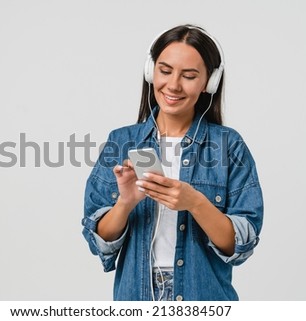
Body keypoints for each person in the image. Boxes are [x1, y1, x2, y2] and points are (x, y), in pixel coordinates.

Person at [81, 24, 264, 301]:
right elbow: (100, 243)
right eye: (165, 71)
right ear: (150, 71)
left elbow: (240, 244)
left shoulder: (229, 146)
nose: (174, 85)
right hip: (136, 297)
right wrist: (125, 203)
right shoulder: (122, 142)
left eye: (189, 76)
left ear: (209, 83)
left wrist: (195, 202)